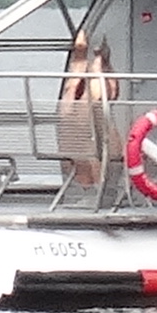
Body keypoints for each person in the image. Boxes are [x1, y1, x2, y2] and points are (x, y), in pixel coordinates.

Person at [55, 25, 117, 197]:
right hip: (82, 135)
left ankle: (88, 61)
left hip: (84, 130)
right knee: (80, 103)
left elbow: (112, 93)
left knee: (76, 99)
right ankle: (97, 188)